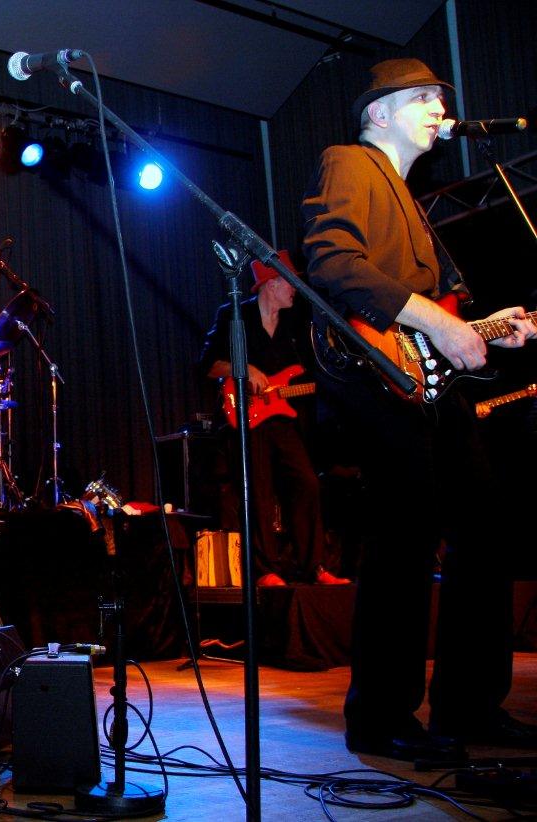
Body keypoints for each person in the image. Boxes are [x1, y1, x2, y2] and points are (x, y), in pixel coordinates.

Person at [302, 58, 537, 760]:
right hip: (377, 376)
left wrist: (486, 327)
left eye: (441, 97)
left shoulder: (410, 199)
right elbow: (333, 263)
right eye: (423, 97)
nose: (440, 107)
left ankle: (469, 706)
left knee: (484, 527)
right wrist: (439, 324)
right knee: (404, 534)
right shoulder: (349, 162)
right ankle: (380, 717)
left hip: (432, 383)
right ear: (378, 114)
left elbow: (436, 311)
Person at [199, 250, 349, 587]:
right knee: (259, 491)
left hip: (283, 419)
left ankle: (313, 566)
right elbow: (207, 365)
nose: (295, 289)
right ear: (271, 284)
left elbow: (310, 371)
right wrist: (244, 368)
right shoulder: (234, 315)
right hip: (246, 419)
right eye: (289, 282)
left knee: (307, 483)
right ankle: (264, 569)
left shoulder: (297, 324)